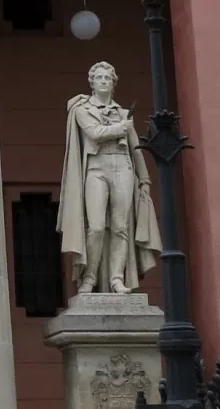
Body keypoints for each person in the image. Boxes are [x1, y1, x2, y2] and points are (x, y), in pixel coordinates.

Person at [57, 61, 161, 295]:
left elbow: (135, 149)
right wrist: (119, 129)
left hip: (122, 166)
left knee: (120, 227)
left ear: (113, 84)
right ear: (91, 83)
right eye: (99, 78)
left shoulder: (123, 114)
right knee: (95, 227)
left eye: (108, 78)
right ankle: (89, 277)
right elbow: (93, 133)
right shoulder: (82, 110)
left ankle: (116, 278)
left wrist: (144, 180)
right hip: (96, 167)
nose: (103, 81)